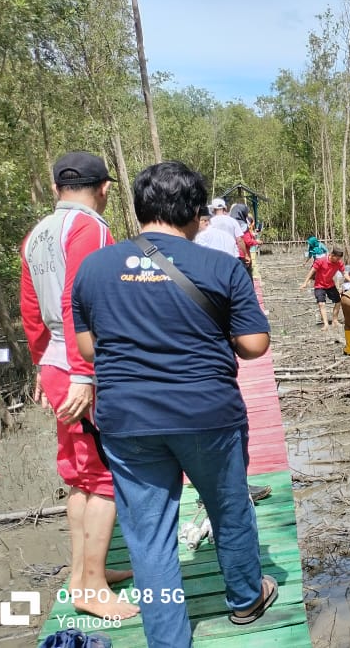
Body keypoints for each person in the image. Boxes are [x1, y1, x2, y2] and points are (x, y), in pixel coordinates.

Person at [71, 161, 277, 644]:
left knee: (148, 535)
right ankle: (246, 599)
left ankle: (167, 637)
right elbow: (254, 345)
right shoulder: (221, 266)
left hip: (128, 419)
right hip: (207, 414)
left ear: (139, 207)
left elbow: (88, 349)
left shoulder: (94, 267)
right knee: (228, 508)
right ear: (195, 213)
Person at [19, 151, 140, 620]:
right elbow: (80, 302)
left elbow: (32, 311)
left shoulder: (36, 235)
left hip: (55, 363)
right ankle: (92, 589)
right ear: (105, 188)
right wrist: (84, 374)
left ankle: (83, 575)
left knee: (79, 475)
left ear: (56, 189)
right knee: (105, 476)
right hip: (83, 368)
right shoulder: (92, 229)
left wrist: (42, 364)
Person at [300, 247, 345, 330]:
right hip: (319, 286)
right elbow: (312, 271)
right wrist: (305, 283)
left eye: (339, 259)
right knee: (321, 304)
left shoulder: (339, 263)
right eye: (337, 258)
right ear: (332, 255)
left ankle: (335, 320)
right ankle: (326, 324)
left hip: (330, 285)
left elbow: (344, 274)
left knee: (338, 302)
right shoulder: (321, 261)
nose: (338, 260)